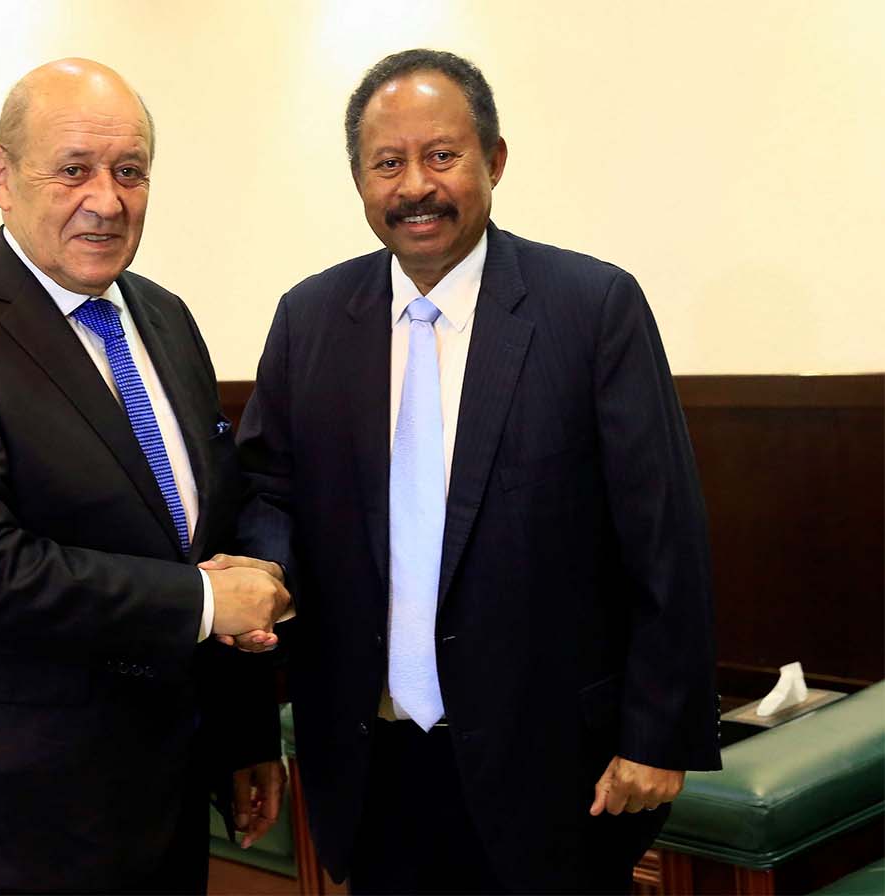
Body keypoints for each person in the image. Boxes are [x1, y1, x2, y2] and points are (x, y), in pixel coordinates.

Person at [231, 49, 722, 894]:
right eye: (388, 163)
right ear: (359, 180)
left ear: (494, 160)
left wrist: (659, 733)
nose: (414, 184)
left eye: (442, 155)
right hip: (372, 762)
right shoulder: (310, 318)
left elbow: (663, 533)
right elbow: (271, 489)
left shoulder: (591, 309)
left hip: (558, 770)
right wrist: (263, 569)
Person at [0, 58, 289, 895]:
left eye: (129, 171)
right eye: (73, 170)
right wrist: (206, 607)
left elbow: (211, 529)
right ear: (1, 176)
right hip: (5, 818)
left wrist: (245, 736)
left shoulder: (165, 317)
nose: (106, 199)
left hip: (161, 795)